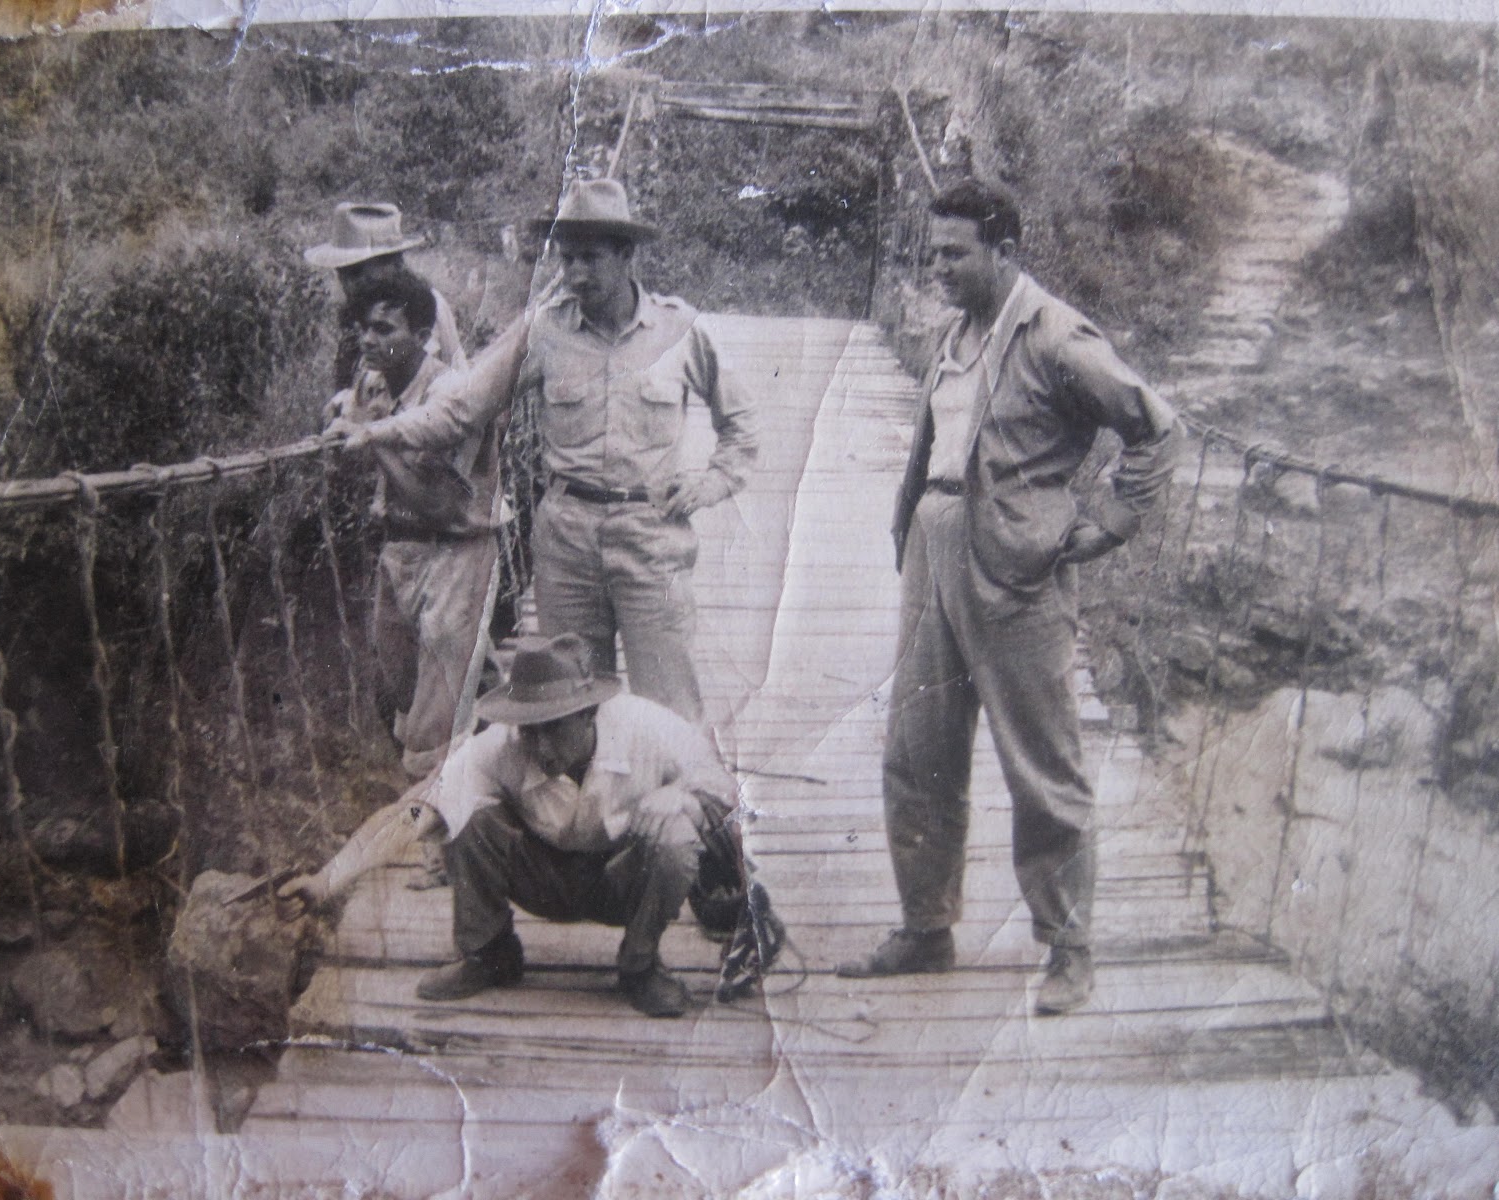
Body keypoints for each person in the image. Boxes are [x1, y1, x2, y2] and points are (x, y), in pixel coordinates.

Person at [835, 179, 1181, 1015]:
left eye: (955, 253)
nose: (937, 268)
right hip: (932, 546)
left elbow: (1155, 427)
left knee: (1042, 762)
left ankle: (1069, 951)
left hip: (1018, 567)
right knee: (915, 752)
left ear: (1004, 251)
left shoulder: (1059, 337)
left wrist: (1107, 522)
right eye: (932, 251)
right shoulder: (954, 331)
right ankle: (926, 928)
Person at [282, 633, 779, 1017]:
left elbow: (728, 788)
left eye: (554, 728)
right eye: (529, 729)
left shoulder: (648, 726)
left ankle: (640, 965)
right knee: (465, 818)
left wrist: (682, 798)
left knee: (677, 834)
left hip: (627, 881)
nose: (538, 746)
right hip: (543, 878)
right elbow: (410, 813)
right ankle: (489, 954)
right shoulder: (497, 748)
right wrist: (328, 879)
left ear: (588, 715)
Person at [517, 178, 756, 725]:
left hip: (651, 536)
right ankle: (586, 810)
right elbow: (478, 402)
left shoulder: (680, 329)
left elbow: (741, 426)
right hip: (565, 538)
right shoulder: (544, 333)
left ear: (626, 256)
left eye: (591, 259)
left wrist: (709, 483)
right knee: (569, 699)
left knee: (665, 702)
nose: (575, 274)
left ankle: (683, 803)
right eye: (567, 258)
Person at [322, 270, 505, 777]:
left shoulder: (452, 398)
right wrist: (344, 421)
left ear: (424, 335)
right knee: (407, 685)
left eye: (384, 329)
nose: (367, 340)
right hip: (400, 550)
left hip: (456, 550)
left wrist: (373, 438)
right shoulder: (374, 382)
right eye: (363, 328)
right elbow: (354, 438)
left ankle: (434, 826)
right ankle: (504, 767)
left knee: (432, 719)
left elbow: (440, 503)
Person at [306, 202, 468, 389]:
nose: (349, 283)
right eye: (342, 273)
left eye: (358, 272)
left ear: (394, 264)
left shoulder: (420, 305)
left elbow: (418, 383)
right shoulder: (359, 309)